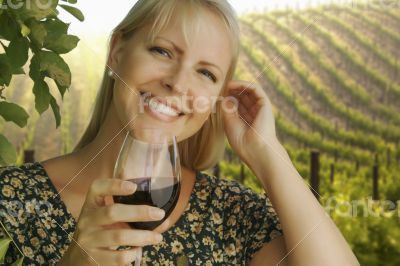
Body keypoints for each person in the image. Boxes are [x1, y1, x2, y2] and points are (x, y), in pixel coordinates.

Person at [0, 0, 360, 265]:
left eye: (206, 73)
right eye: (162, 51)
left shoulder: (232, 214)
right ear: (116, 51)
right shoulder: (10, 199)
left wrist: (267, 153)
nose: (177, 83)